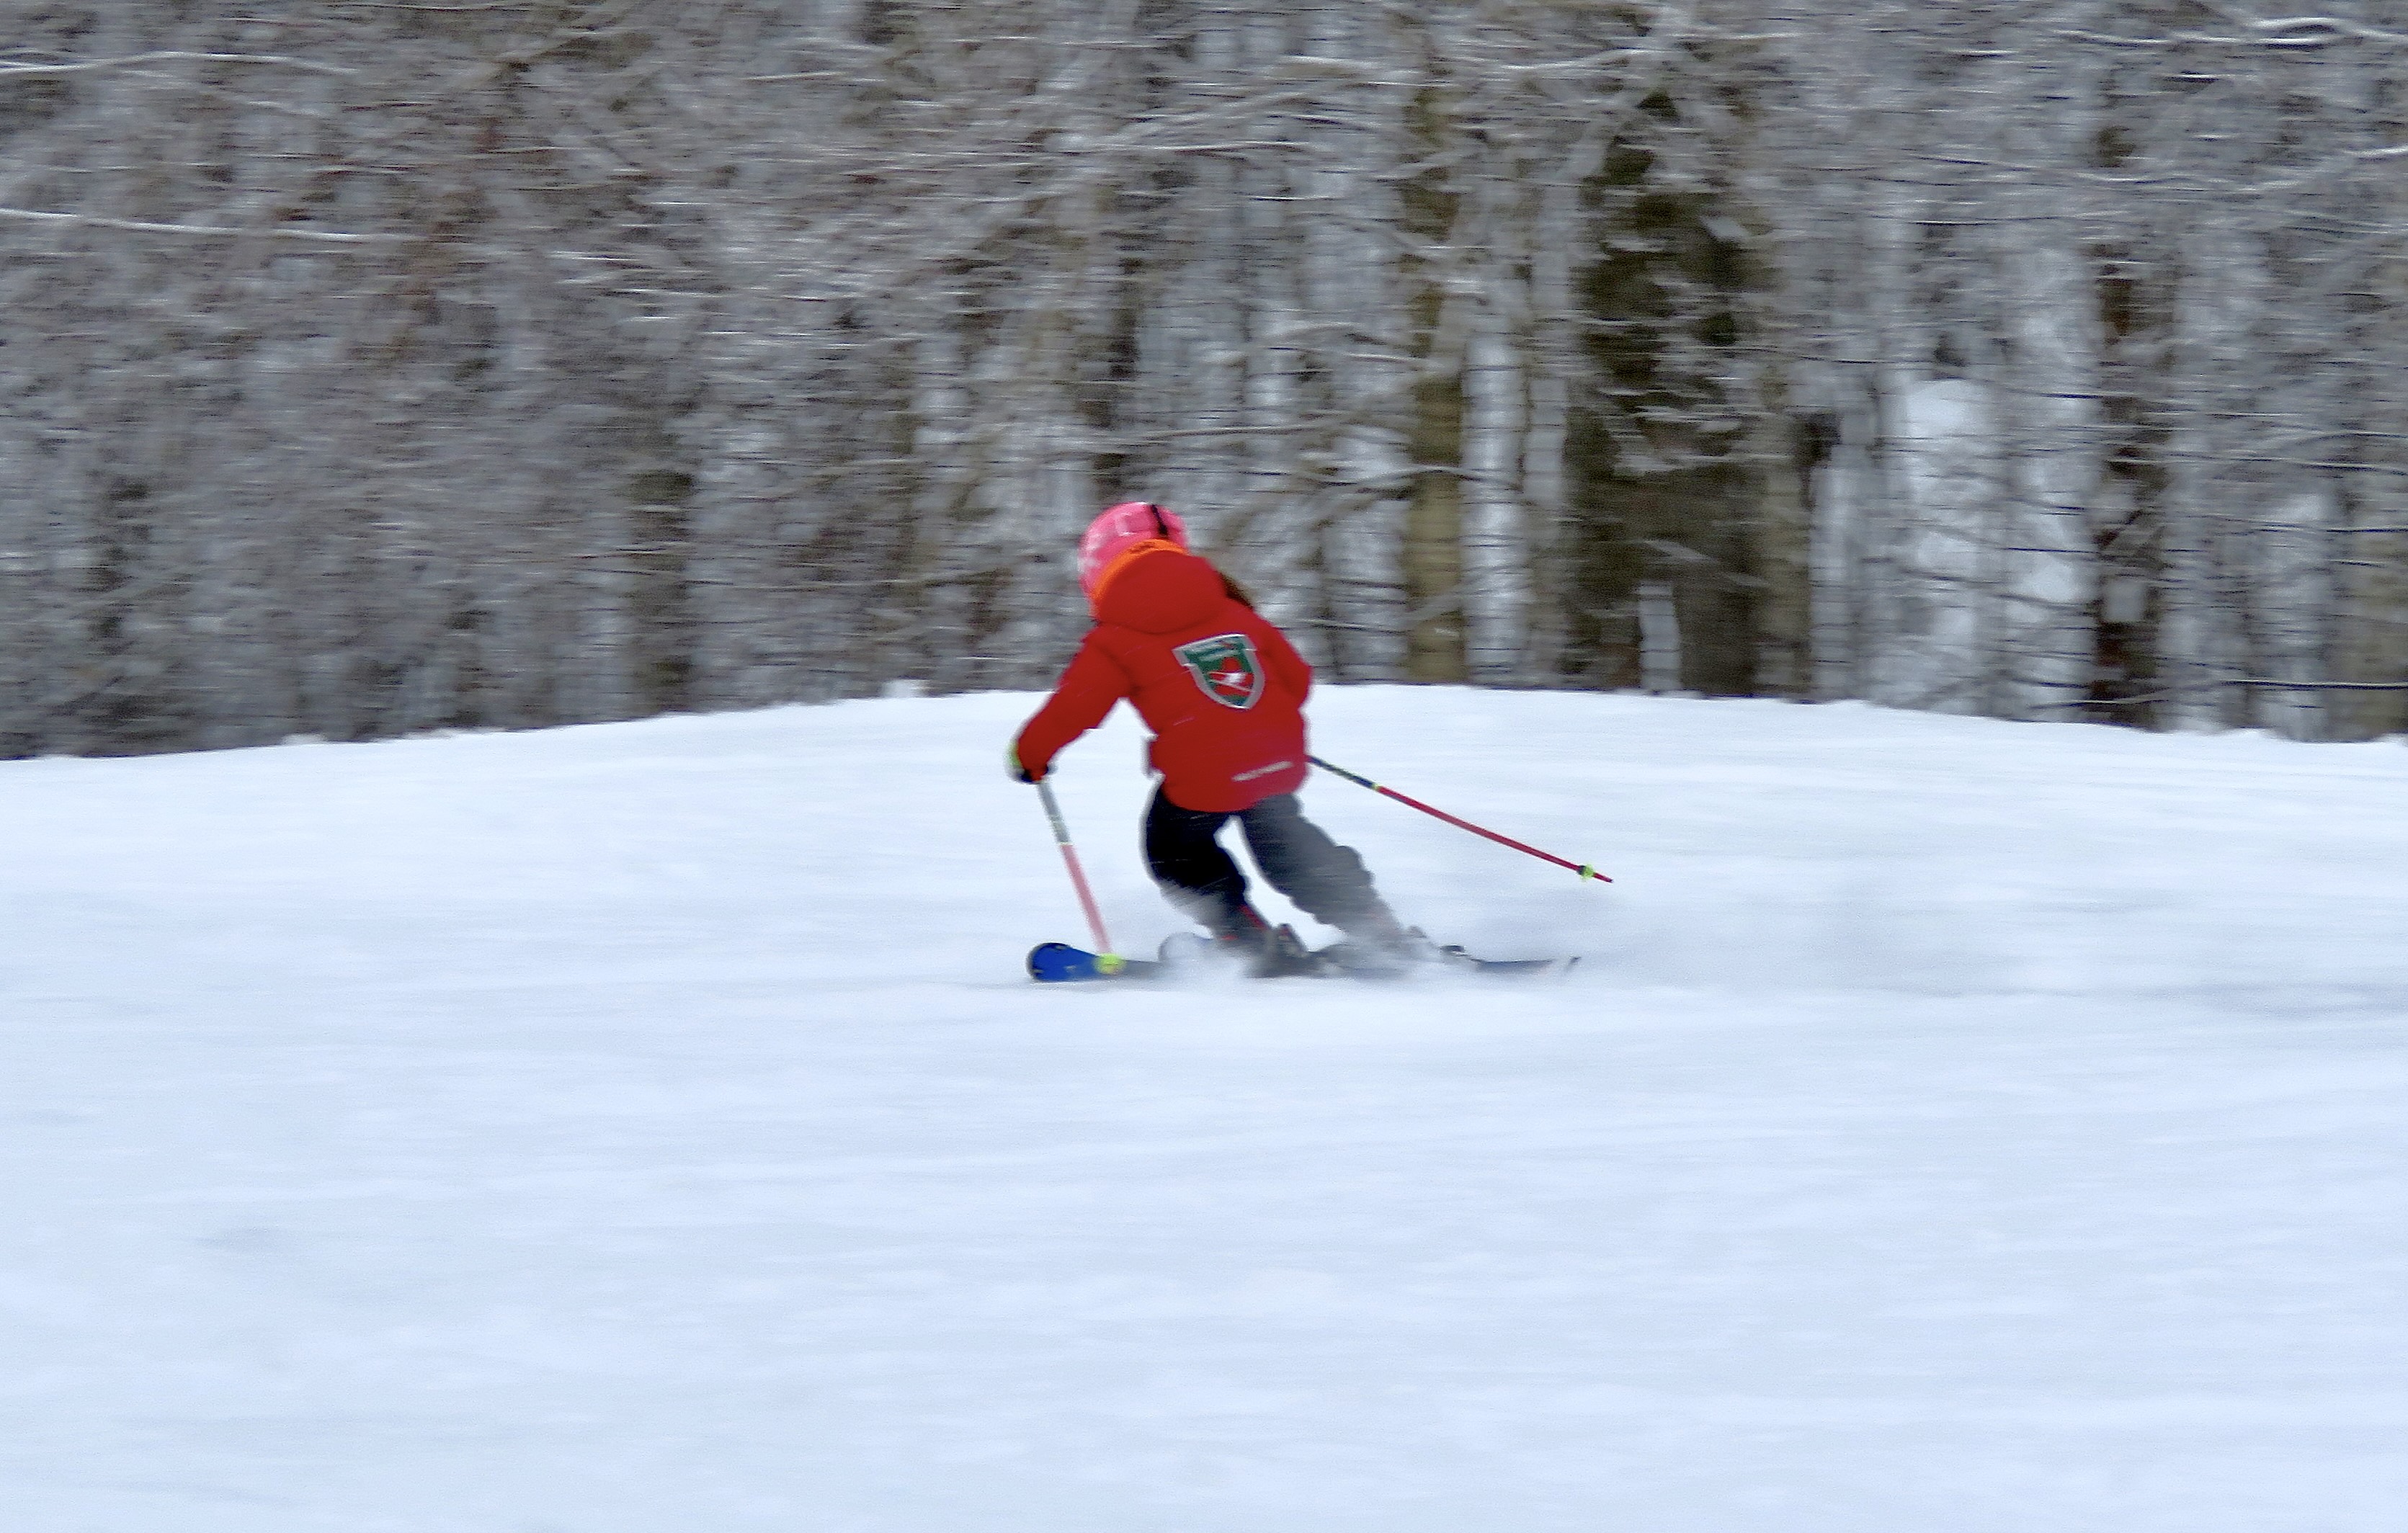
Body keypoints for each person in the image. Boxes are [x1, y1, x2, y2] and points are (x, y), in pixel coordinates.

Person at [1008, 502, 1417, 975]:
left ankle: (1245, 940)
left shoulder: (1115, 636)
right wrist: (1257, 724)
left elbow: (1072, 710)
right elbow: (1296, 680)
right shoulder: (1230, 608)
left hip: (1201, 775)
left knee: (1176, 853)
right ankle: (1376, 928)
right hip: (1275, 759)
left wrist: (1029, 754)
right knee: (1288, 848)